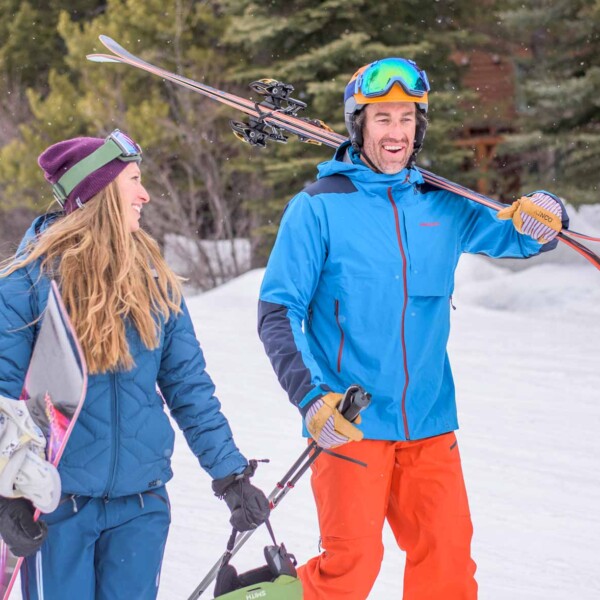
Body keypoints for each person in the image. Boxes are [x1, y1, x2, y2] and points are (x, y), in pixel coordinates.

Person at [257, 58, 568, 599]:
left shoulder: (442, 205)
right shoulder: (318, 208)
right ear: (359, 125)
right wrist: (311, 398)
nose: (396, 132)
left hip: (428, 423)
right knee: (350, 569)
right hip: (349, 421)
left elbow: (518, 235)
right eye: (383, 119)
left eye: (406, 118)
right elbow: (278, 312)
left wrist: (546, 212)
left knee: (447, 568)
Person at [0, 129, 270, 599]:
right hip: (56, 506)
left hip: (141, 507)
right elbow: (3, 399)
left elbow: (188, 387)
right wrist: (6, 499)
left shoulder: (154, 281)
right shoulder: (27, 287)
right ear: (99, 194)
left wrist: (230, 475)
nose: (145, 194)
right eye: (133, 181)